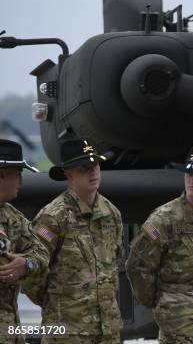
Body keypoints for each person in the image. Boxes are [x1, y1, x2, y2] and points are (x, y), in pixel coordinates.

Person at [126, 144, 193, 343]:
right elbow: (137, 265)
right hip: (180, 327)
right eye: (189, 174)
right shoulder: (164, 219)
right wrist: (159, 302)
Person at [26, 139, 123, 343]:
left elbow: (115, 262)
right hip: (67, 331)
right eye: (84, 168)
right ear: (69, 174)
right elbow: (32, 274)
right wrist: (58, 304)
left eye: (95, 165)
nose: (93, 172)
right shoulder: (53, 217)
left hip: (108, 330)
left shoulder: (110, 213)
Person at [0, 139, 49, 344]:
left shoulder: (13, 218)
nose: (21, 181)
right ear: (2, 175)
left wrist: (26, 264)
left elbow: (42, 253)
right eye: (18, 174)